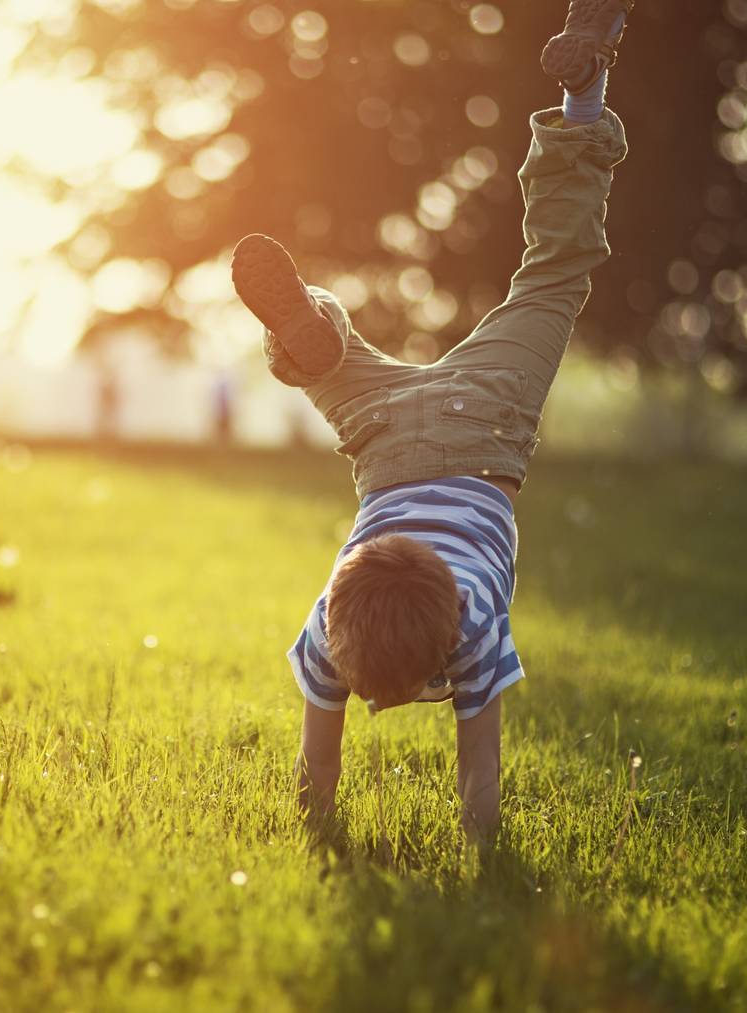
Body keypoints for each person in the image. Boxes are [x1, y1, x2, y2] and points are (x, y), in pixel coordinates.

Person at [230, 0, 634, 845]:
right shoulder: (339, 625)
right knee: (343, 359)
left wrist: (321, 836)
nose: (372, 703)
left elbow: (326, 775)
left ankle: (582, 97)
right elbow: (471, 779)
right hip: (387, 438)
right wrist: (473, 848)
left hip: (479, 426)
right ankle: (308, 334)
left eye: (369, 694)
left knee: (551, 277)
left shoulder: (464, 623)